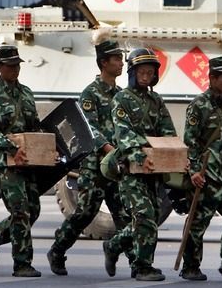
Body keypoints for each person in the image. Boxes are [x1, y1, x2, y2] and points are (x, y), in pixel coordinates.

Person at [47, 40, 133, 276]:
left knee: (124, 214)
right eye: (116, 58)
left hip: (115, 166)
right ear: (104, 63)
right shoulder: (90, 94)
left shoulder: (121, 95)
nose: (121, 63)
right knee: (84, 213)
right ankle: (57, 250)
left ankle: (137, 263)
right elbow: (89, 128)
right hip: (95, 166)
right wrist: (108, 149)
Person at [108, 48, 177, 281]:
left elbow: (167, 130)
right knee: (145, 216)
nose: (146, 76)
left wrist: (172, 152)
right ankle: (142, 266)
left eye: (150, 72)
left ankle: (114, 245)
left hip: (154, 168)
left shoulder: (156, 100)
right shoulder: (121, 99)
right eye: (142, 71)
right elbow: (123, 133)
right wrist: (140, 155)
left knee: (152, 216)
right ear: (132, 73)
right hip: (131, 168)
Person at [179, 56, 222, 281]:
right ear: (212, 78)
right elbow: (191, 141)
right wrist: (195, 171)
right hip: (205, 175)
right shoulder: (198, 106)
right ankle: (190, 266)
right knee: (197, 224)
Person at [0, 45, 43, 277]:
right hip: (6, 163)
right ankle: (22, 263)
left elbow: (35, 127)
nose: (15, 69)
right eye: (10, 66)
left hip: (29, 162)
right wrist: (12, 149)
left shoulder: (27, 93)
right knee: (20, 211)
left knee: (33, 210)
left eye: (17, 65)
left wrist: (45, 149)